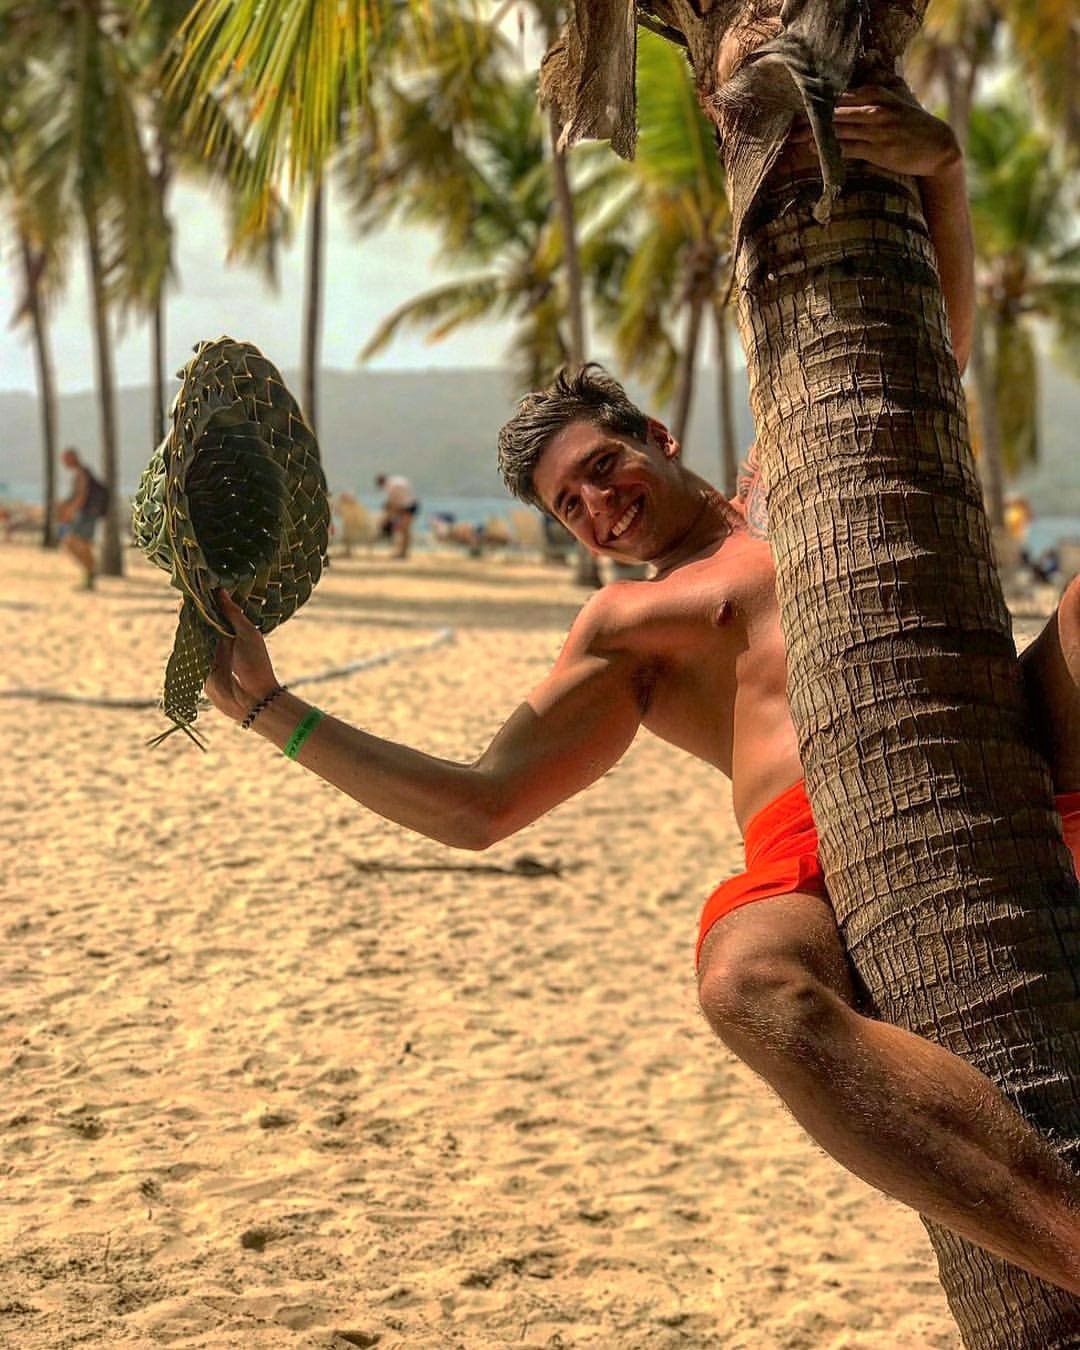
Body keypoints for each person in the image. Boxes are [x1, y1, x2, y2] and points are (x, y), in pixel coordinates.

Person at [205, 88, 1080, 1293]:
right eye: (571, 505)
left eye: (603, 466)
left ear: (659, 436)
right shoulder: (629, 626)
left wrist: (943, 175)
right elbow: (479, 805)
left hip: (1001, 743)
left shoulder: (809, 464)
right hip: (814, 847)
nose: (599, 505)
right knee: (744, 982)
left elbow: (928, 344)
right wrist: (271, 710)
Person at [56, 447, 108, 590]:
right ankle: (89, 575)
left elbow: (81, 496)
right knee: (81, 545)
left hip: (87, 514)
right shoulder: (81, 473)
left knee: (73, 542)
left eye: (66, 459)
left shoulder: (82, 473)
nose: (64, 463)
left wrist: (69, 513)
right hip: (87, 513)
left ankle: (91, 571)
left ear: (73, 458)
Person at [375, 473, 419, 559]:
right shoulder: (396, 480)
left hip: (408, 506)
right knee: (403, 530)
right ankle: (402, 552)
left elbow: (394, 502)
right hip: (410, 504)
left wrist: (388, 515)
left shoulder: (390, 486)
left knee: (404, 530)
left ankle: (403, 553)